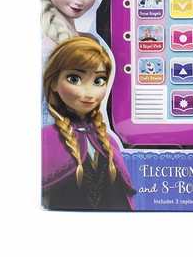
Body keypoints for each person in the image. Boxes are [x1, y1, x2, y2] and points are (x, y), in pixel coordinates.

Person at [41, 37, 136, 210]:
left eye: (98, 81)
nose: (89, 93)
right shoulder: (46, 139)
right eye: (74, 79)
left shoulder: (109, 141)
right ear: (54, 82)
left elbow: (122, 200)